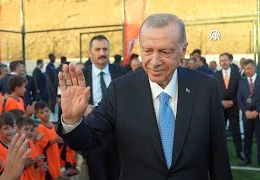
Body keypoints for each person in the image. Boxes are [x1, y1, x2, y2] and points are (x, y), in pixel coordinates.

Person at [58, 13, 232, 179]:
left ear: (183, 50)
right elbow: (88, 140)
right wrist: (72, 121)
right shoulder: (121, 90)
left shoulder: (205, 87)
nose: (154, 62)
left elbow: (219, 156)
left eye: (165, 52)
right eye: (147, 51)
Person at [82, 35, 126, 180]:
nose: (102, 53)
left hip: (117, 135)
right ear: (90, 52)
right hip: (92, 134)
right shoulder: (81, 75)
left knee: (117, 174)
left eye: (105, 49)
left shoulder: (121, 73)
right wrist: (83, 108)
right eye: (97, 49)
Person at [214, 53, 244, 161]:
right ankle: (219, 153)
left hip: (233, 106)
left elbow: (240, 90)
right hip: (220, 107)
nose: (223, 62)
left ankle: (239, 151)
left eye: (225, 60)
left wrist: (233, 101)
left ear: (230, 60)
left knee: (236, 130)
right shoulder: (216, 75)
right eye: (221, 60)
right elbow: (214, 91)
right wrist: (221, 102)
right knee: (220, 130)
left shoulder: (237, 74)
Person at [237, 59, 260, 166]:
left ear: (254, 68)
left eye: (249, 68)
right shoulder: (241, 81)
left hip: (258, 114)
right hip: (246, 115)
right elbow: (239, 98)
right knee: (247, 138)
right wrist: (245, 111)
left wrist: (257, 111)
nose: (247, 71)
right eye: (245, 69)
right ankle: (247, 159)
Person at [35, 102, 63, 180]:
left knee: (54, 172)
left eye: (46, 111)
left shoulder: (51, 125)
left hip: (54, 153)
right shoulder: (40, 127)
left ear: (50, 111)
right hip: (47, 156)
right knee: (47, 175)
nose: (45, 114)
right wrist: (55, 140)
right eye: (42, 112)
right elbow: (42, 144)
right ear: (37, 115)